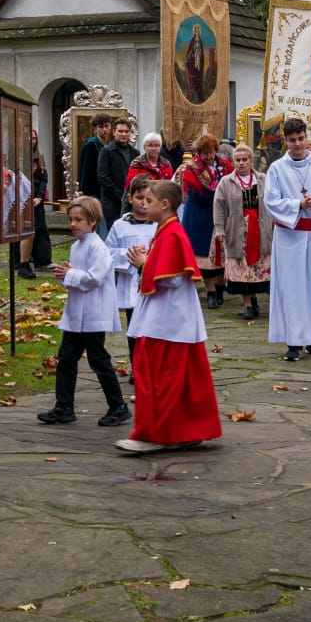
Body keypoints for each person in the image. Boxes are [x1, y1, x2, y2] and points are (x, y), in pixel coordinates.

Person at [117, 180, 222, 454]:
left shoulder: (172, 233)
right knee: (178, 381)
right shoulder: (165, 230)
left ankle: (153, 434)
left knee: (158, 379)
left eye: (149, 201)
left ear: (164, 205)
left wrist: (144, 263)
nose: (143, 204)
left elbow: (173, 278)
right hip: (170, 319)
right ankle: (186, 431)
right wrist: (148, 259)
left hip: (166, 321)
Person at [38, 197, 132, 428]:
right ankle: (64, 406)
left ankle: (118, 406)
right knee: (66, 358)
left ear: (92, 221)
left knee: (98, 359)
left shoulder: (98, 247)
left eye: (78, 220)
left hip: (93, 313)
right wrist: (67, 276)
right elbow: (78, 278)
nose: (73, 224)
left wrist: (70, 275)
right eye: (71, 219)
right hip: (77, 314)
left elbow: (94, 279)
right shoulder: (76, 246)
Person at [263, 117, 311, 361]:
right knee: (292, 288)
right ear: (285, 141)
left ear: (307, 138)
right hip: (289, 237)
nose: (297, 144)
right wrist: (297, 204)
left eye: (301, 139)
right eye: (292, 140)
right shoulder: (277, 169)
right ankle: (294, 341)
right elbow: (271, 201)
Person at [104, 174, 159, 382]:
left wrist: (149, 256)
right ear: (130, 198)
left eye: (148, 199)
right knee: (134, 328)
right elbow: (108, 253)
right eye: (139, 198)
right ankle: (137, 368)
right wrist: (130, 254)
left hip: (154, 285)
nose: (143, 203)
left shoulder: (158, 224)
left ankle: (152, 368)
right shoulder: (120, 225)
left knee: (152, 329)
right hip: (131, 286)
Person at [213, 144, 272, 321]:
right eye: (237, 160)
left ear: (251, 161)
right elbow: (219, 207)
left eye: (244, 159)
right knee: (242, 269)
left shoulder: (263, 179)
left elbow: (272, 203)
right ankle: (247, 304)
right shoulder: (226, 182)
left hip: (260, 229)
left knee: (256, 268)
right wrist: (219, 229)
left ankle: (253, 298)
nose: (241, 163)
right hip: (237, 230)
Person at [179, 133, 230, 309]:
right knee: (205, 256)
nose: (209, 156)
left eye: (211, 152)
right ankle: (211, 292)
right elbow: (196, 194)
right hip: (200, 214)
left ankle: (220, 287)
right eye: (205, 153)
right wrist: (219, 198)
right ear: (199, 153)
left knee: (222, 253)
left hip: (221, 214)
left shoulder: (225, 166)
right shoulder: (192, 169)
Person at [18, 129, 50, 278]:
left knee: (39, 229)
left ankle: (42, 259)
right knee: (25, 231)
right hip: (22, 199)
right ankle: (21, 261)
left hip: (36, 199)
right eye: (29, 138)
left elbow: (44, 178)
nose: (32, 141)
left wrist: (40, 197)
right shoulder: (18, 157)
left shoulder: (39, 157)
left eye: (34, 138)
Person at [98, 117, 135, 229]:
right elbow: (103, 176)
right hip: (112, 202)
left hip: (129, 201)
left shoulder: (135, 152)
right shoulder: (106, 151)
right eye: (120, 131)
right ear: (114, 132)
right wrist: (119, 195)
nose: (124, 134)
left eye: (126, 131)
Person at [78, 112, 113, 201]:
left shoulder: (111, 146)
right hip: (94, 192)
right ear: (96, 129)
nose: (104, 129)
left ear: (110, 127)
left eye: (106, 126)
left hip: (108, 191)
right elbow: (86, 173)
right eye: (100, 127)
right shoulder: (91, 146)